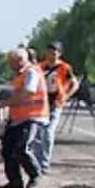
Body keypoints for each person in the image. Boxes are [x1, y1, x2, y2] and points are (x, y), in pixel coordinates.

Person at [0, 48, 46, 188]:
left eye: (11, 62)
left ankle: (35, 174)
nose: (9, 65)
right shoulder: (19, 75)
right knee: (8, 149)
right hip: (18, 118)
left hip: (32, 116)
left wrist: (5, 103)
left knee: (21, 148)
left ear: (21, 60)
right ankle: (15, 181)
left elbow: (28, 92)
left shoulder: (31, 72)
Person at [35, 41, 79, 173]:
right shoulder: (40, 67)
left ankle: (44, 164)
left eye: (54, 53)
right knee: (38, 133)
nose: (50, 55)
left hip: (56, 103)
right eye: (49, 52)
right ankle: (36, 162)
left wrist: (66, 96)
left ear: (59, 54)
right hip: (41, 103)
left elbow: (75, 83)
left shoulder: (64, 68)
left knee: (48, 132)